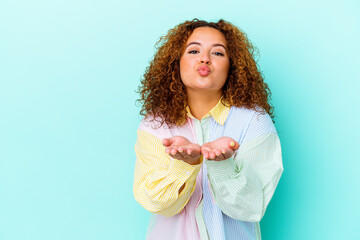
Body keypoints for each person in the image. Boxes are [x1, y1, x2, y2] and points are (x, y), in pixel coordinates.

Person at [133, 18, 283, 240]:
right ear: (176, 62)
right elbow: (155, 202)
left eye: (218, 53)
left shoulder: (254, 121)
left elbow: (252, 207)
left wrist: (223, 165)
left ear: (232, 66)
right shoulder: (155, 124)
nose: (205, 58)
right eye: (194, 51)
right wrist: (183, 166)